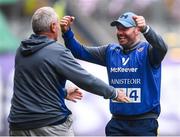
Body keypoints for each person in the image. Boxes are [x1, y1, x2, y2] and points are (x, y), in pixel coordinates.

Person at [8, 7, 130, 136]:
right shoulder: (57, 52)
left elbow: (32, 86)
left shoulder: (22, 50)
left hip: (18, 125)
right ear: (53, 27)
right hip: (49, 124)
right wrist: (114, 93)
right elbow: (86, 80)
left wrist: (63, 92)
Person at [60, 11, 168, 136]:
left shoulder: (148, 51)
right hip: (117, 123)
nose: (120, 33)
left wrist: (147, 30)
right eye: (118, 29)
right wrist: (66, 32)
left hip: (144, 123)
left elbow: (162, 48)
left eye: (125, 29)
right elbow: (79, 52)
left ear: (137, 30)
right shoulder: (110, 52)